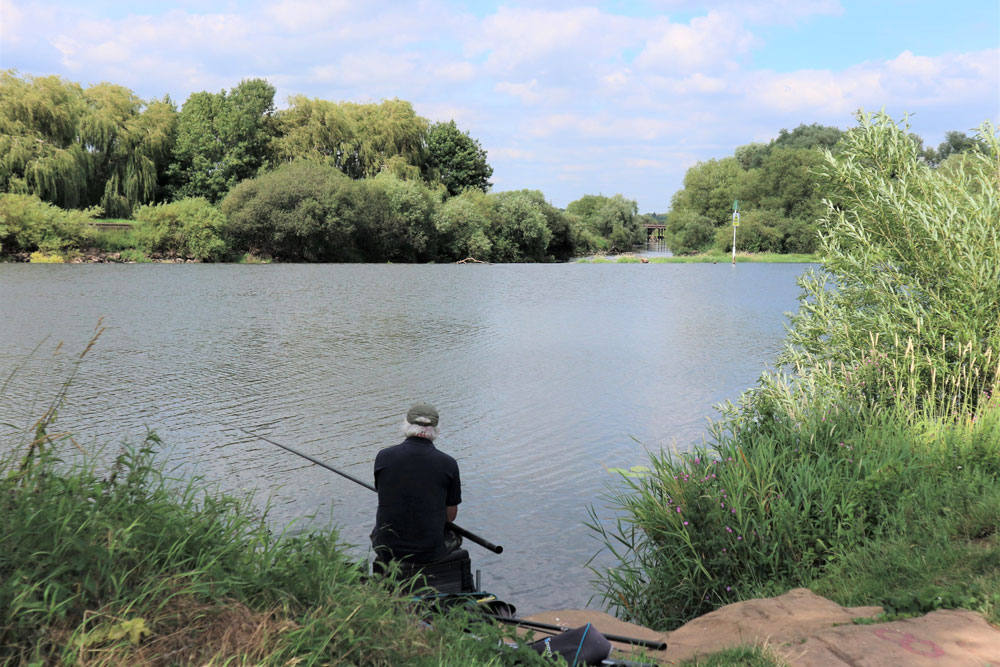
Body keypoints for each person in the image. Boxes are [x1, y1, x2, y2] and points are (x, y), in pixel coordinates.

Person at [371, 402, 462, 571]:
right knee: (453, 536)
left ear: (406, 425)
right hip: (429, 553)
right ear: (436, 429)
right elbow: (450, 517)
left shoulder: (383, 456)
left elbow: (383, 494)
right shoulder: (448, 464)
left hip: (387, 550)